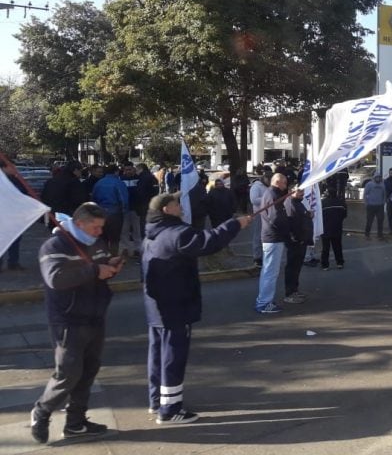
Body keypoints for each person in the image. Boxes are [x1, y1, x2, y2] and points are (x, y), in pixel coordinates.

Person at [141, 192, 250, 424]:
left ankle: (157, 400)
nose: (180, 206)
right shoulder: (176, 233)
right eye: (176, 203)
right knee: (173, 356)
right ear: (166, 210)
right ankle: (169, 410)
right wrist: (234, 224)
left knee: (158, 355)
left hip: (157, 308)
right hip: (175, 306)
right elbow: (207, 241)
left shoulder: (152, 234)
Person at [30, 203, 125, 444]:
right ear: (79, 223)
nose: (99, 232)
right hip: (68, 320)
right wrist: (95, 270)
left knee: (88, 370)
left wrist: (111, 267)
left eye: (101, 228)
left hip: (94, 315)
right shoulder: (55, 245)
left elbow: (100, 268)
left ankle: (76, 423)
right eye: (95, 227)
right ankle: (41, 411)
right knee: (68, 373)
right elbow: (56, 279)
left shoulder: (96, 244)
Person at [254, 173, 290, 314]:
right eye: (285, 183)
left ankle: (264, 300)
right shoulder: (273, 195)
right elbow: (276, 219)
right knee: (270, 272)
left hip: (271, 237)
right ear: (278, 182)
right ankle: (264, 302)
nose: (286, 186)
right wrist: (288, 231)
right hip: (273, 238)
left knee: (268, 271)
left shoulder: (269, 193)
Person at [283, 187, 314, 303]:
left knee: (297, 267)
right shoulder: (290, 203)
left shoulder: (298, 203)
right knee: (292, 267)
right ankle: (289, 293)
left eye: (302, 191)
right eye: (299, 191)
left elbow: (302, 217)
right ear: (291, 191)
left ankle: (294, 290)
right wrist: (296, 239)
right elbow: (291, 223)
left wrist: (308, 215)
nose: (302, 193)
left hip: (302, 241)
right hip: (296, 242)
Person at [91, 165, 129, 256]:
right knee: (114, 238)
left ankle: (103, 256)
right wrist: (124, 211)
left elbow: (93, 198)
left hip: (100, 212)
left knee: (103, 236)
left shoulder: (99, 183)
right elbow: (124, 199)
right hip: (115, 213)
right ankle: (113, 257)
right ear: (116, 172)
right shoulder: (119, 183)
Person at [0, 158, 28, 271]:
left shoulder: (14, 179)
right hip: (5, 214)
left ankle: (13, 262)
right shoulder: (5, 181)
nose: (15, 169)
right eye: (12, 166)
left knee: (15, 239)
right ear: (4, 168)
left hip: (14, 216)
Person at [321, 187, 347, 269]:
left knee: (325, 248)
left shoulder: (323, 203)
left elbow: (320, 215)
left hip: (326, 228)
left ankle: (325, 265)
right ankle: (340, 263)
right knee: (337, 246)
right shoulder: (341, 203)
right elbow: (344, 215)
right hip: (337, 227)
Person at [249, 173, 269, 270]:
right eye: (268, 180)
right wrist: (267, 199)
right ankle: (257, 257)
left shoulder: (268, 186)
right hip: (259, 214)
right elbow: (254, 200)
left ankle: (264, 255)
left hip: (268, 213)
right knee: (258, 236)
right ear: (264, 179)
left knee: (266, 236)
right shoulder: (256, 186)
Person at [363, 172, 386, 239]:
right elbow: (365, 194)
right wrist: (366, 203)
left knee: (380, 221)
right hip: (371, 206)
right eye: (377, 177)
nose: (378, 178)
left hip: (380, 206)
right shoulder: (369, 184)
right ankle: (367, 234)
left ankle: (380, 235)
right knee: (369, 221)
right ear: (374, 177)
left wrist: (383, 202)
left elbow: (384, 194)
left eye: (379, 177)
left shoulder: (382, 185)